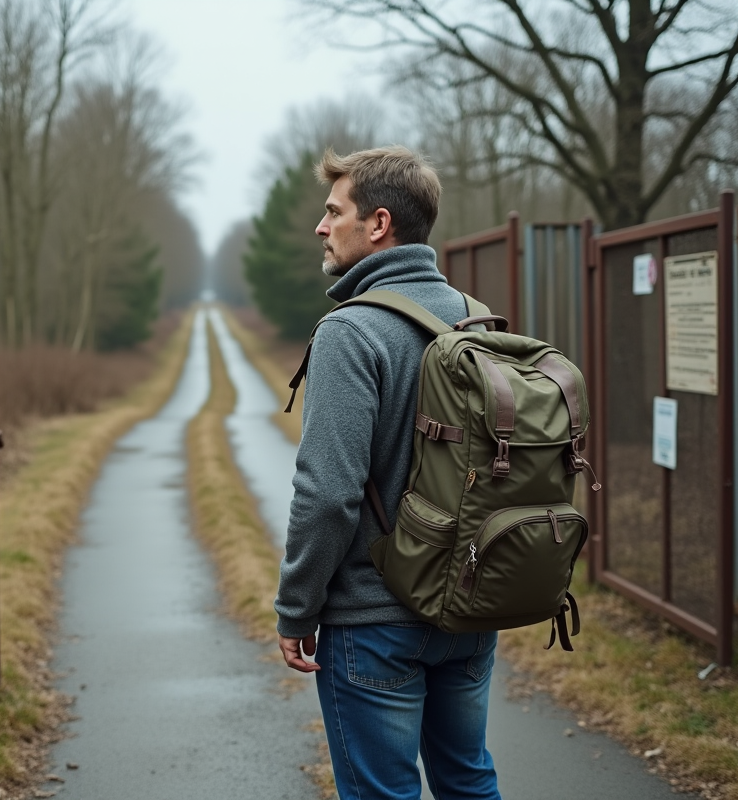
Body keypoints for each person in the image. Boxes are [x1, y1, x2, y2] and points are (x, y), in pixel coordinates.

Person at [275, 146, 501, 800]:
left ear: (378, 224)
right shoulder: (473, 316)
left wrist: (296, 610)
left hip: (374, 621)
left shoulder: (353, 331)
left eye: (333, 212)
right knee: (468, 780)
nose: (321, 227)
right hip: (467, 610)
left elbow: (326, 496)